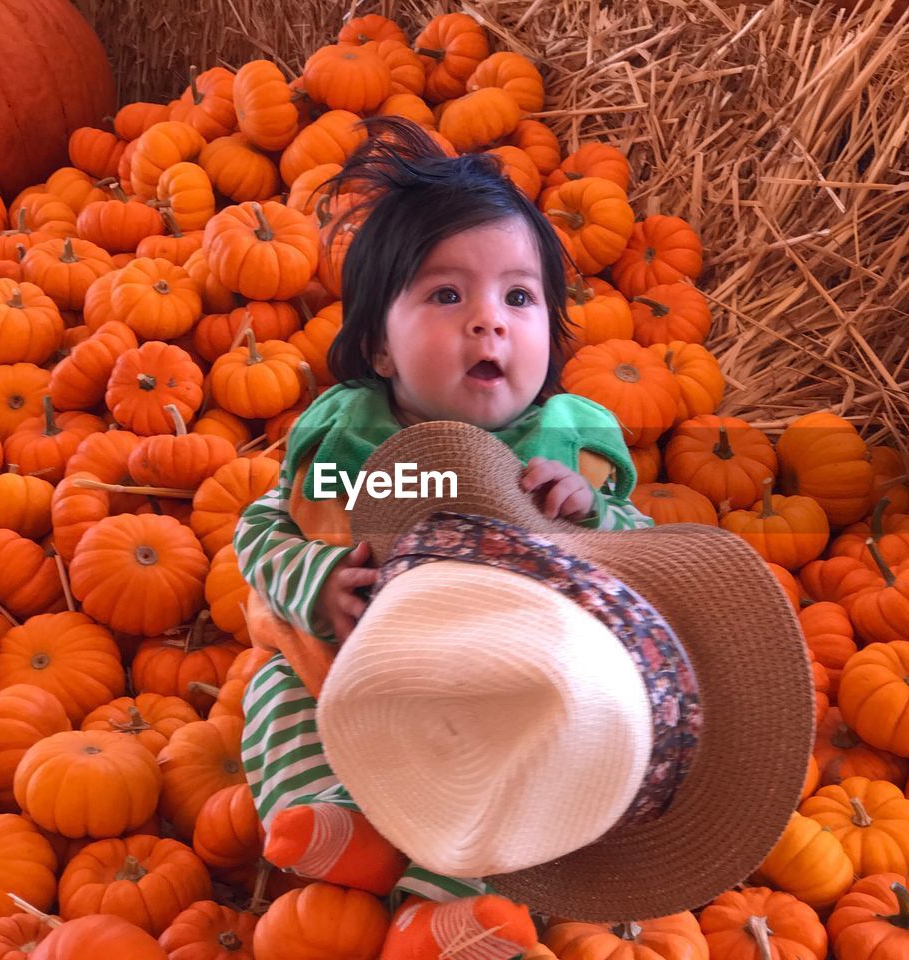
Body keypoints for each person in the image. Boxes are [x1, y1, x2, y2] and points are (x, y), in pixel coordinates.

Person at [234, 116, 654, 955]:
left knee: (525, 776)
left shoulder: (564, 451)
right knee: (273, 697)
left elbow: (643, 562)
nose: (488, 321)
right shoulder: (351, 442)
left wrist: (589, 513)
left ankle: (439, 907)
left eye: (519, 297)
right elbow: (260, 528)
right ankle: (340, 829)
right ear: (380, 350)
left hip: (493, 700)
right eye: (445, 294)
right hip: (343, 680)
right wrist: (315, 577)